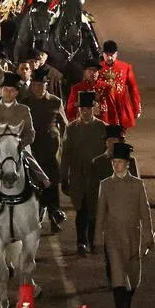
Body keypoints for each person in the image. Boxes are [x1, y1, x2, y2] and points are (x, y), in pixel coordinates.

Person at [95, 142, 154, 308]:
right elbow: (100, 213)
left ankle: (126, 303)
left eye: (119, 162)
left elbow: (144, 211)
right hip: (113, 238)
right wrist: (98, 238)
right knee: (117, 277)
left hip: (133, 237)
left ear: (127, 164)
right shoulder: (105, 185)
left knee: (134, 278)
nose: (116, 165)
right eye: (114, 162)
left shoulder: (137, 184)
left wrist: (149, 235)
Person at [60, 91, 107, 256]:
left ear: (94, 108)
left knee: (94, 210)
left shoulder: (103, 128)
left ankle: (92, 240)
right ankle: (81, 242)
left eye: (88, 108)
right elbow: (65, 154)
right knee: (81, 210)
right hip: (78, 176)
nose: (85, 112)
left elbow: (108, 154)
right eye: (82, 109)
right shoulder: (71, 128)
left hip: (96, 178)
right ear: (79, 109)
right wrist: (63, 177)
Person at [24, 67, 67, 231]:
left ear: (46, 85)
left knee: (52, 184)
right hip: (32, 150)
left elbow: (65, 125)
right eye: (35, 85)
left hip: (51, 150)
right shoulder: (25, 103)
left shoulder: (55, 102)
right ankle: (35, 217)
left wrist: (63, 145)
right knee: (35, 185)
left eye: (41, 85)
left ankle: (55, 215)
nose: (37, 88)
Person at [99, 41, 141, 130]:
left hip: (121, 107)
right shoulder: (97, 68)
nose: (109, 58)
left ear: (116, 54)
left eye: (112, 55)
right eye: (107, 55)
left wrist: (136, 107)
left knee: (120, 134)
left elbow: (133, 88)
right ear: (103, 54)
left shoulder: (125, 67)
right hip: (104, 108)